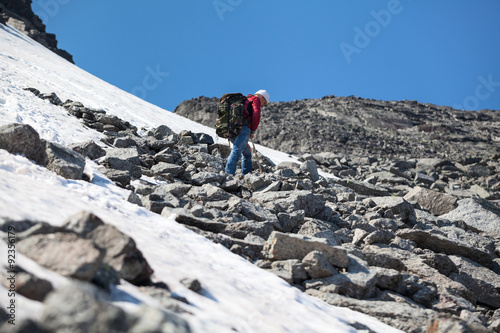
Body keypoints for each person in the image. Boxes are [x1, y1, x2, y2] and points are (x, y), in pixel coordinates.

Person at [225, 89, 270, 175]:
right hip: (244, 128)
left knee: (247, 152)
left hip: (233, 128)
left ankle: (247, 175)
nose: (263, 106)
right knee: (237, 150)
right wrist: (252, 131)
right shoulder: (255, 99)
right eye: (264, 103)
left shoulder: (245, 99)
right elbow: (256, 114)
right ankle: (228, 174)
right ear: (261, 96)